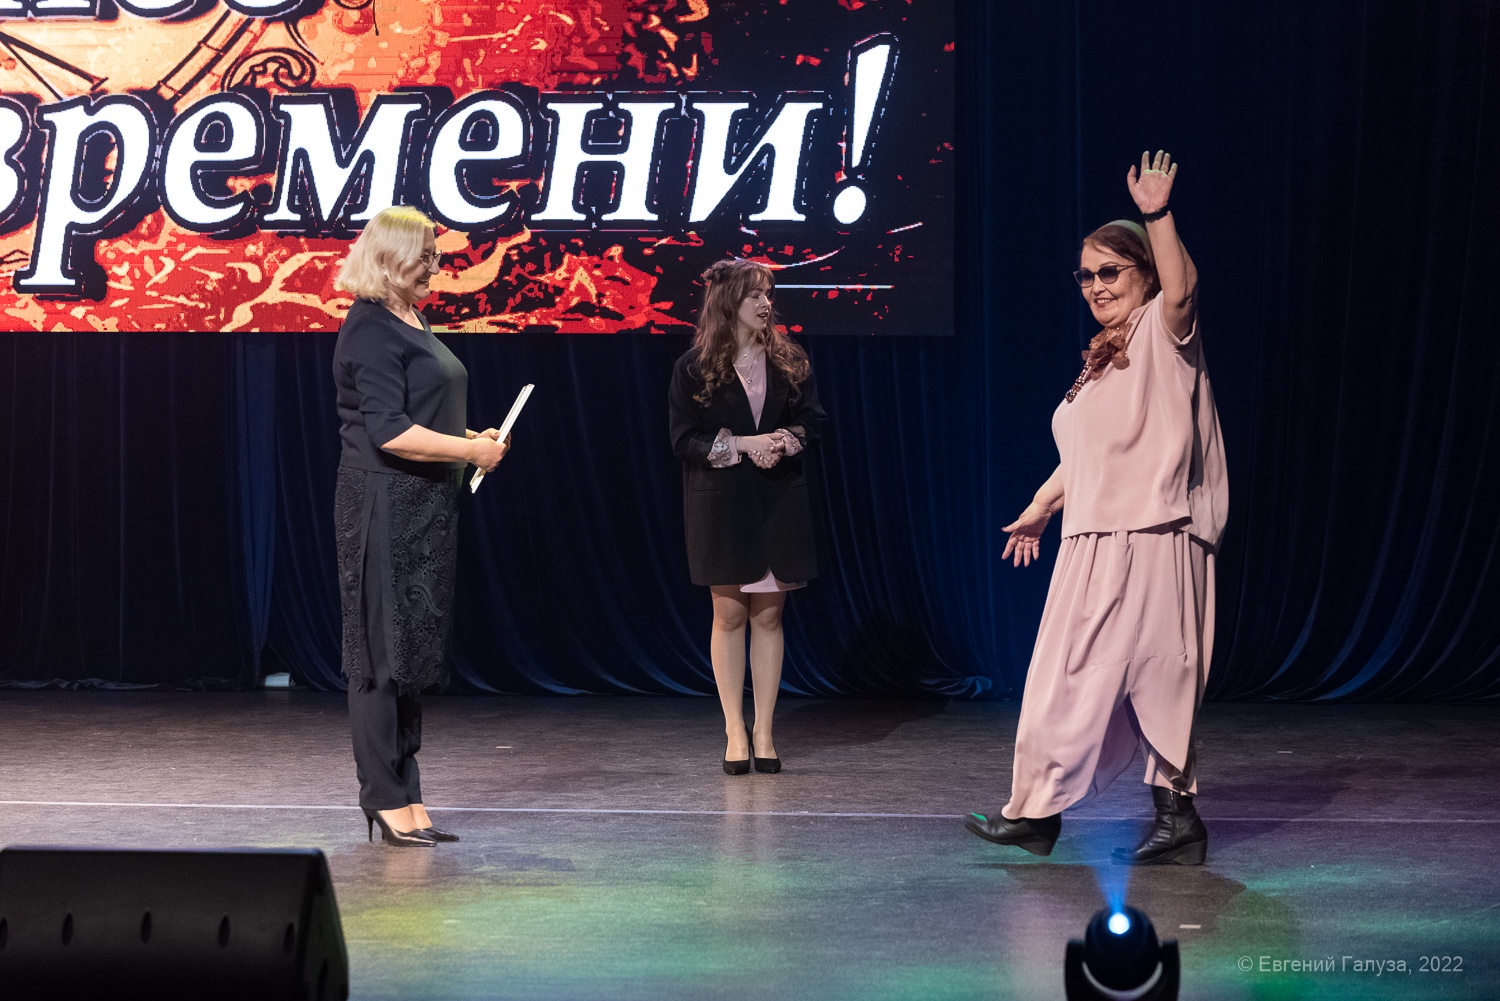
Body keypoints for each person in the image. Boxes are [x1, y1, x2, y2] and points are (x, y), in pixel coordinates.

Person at [965, 151, 1228, 864]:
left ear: (1144, 274)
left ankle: (1176, 816)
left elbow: (1183, 290)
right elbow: (1090, 455)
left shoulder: (1164, 334)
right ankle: (1037, 811)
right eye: (1085, 276)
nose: (1095, 286)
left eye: (1109, 271)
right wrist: (1042, 504)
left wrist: (1157, 215)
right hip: (1095, 536)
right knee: (1063, 676)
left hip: (1153, 533)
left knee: (1161, 674)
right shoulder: (1102, 358)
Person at [331, 206, 509, 847]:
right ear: (389, 259)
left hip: (424, 506)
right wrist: (469, 452)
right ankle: (383, 796)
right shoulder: (369, 328)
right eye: (424, 255)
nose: (435, 265)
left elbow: (421, 414)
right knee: (379, 654)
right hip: (382, 506)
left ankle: (407, 791)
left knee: (407, 654)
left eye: (435, 254)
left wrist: (469, 437)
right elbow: (388, 431)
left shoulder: (410, 316)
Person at [668, 258, 826, 775]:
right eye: (755, 294)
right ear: (728, 302)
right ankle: (735, 729)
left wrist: (780, 441)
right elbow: (683, 440)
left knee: (769, 616)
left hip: (778, 500)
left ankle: (764, 731)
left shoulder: (789, 360)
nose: (765, 303)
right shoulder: (693, 367)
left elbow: (812, 424)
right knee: (730, 615)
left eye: (768, 294)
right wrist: (741, 444)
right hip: (722, 503)